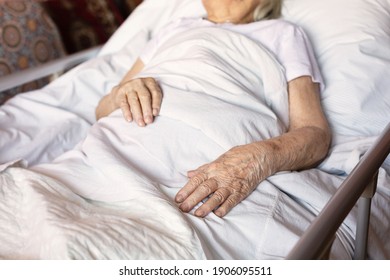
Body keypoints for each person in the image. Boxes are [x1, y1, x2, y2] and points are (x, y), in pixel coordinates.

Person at [95, 0, 331, 218]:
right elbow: (102, 110)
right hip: (119, 147)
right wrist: (122, 92)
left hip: (208, 165)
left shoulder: (283, 33)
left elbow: (314, 132)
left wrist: (260, 156)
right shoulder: (174, 28)